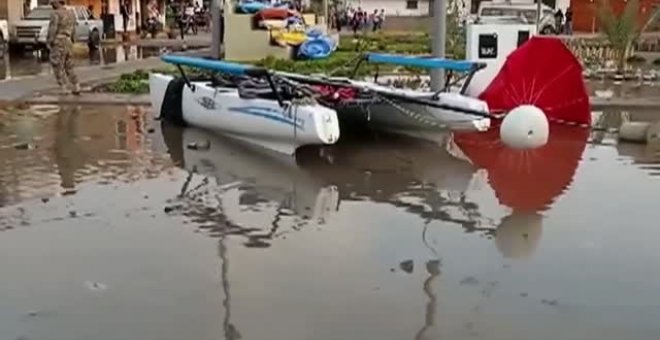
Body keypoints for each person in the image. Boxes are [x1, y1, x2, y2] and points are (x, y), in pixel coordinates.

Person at [47, 0, 80, 95]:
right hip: (68, 41)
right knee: (69, 65)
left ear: (57, 2)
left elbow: (53, 29)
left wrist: (49, 41)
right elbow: (74, 29)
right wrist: (73, 40)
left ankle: (64, 87)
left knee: (57, 65)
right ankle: (76, 85)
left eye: (52, 3)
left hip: (59, 41)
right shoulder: (71, 13)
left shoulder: (55, 14)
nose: (52, 5)